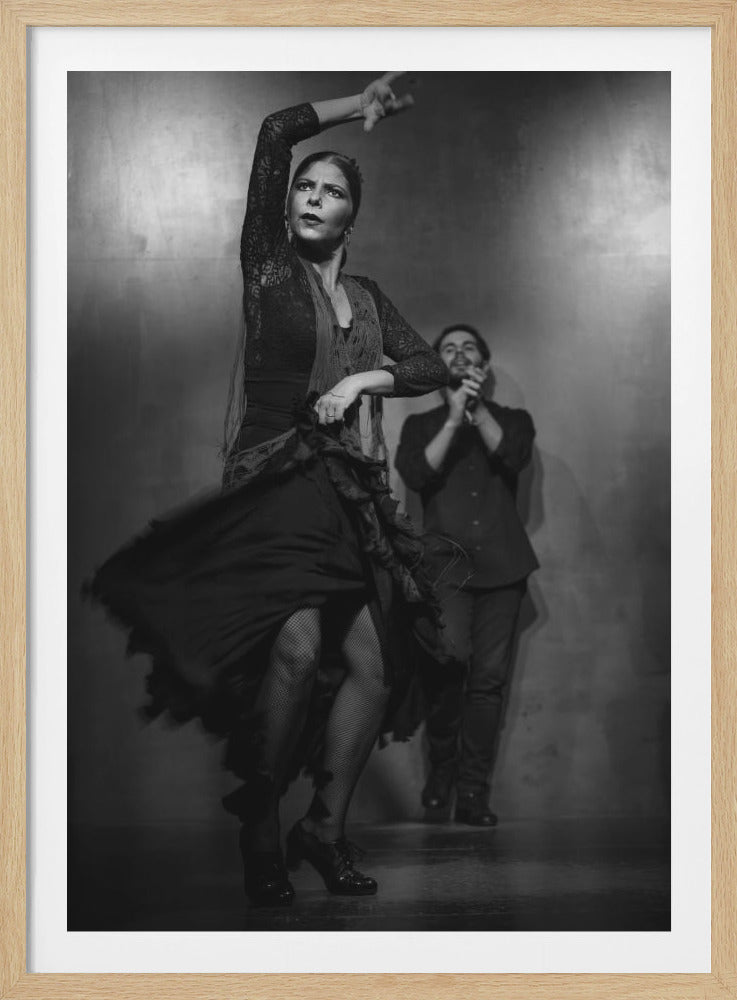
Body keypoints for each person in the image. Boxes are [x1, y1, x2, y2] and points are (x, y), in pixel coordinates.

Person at [87, 74, 449, 907]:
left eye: (332, 192)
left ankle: (323, 827)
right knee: (291, 649)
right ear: (286, 208)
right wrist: (356, 108)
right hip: (276, 476)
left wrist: (361, 385)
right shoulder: (266, 267)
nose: (313, 199)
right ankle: (259, 819)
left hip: (345, 491)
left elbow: (424, 365)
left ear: (352, 215)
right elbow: (273, 131)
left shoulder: (367, 298)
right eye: (306, 190)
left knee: (375, 663)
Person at [394, 324, 538, 826]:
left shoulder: (513, 419)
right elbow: (417, 475)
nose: (458, 355)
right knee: (447, 664)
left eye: (467, 348)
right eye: (448, 349)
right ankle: (443, 770)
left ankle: (474, 793)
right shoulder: (420, 427)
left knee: (489, 682)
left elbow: (511, 456)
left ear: (484, 364)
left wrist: (476, 412)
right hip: (445, 569)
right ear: (437, 367)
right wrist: (454, 418)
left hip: (503, 569)